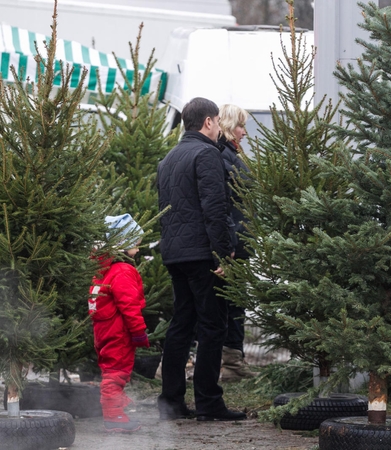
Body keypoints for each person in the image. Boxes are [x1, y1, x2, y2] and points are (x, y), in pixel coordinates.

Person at [156, 97, 246, 422]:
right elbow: (215, 207)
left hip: (175, 253)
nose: (220, 127)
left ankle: (171, 402)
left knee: (181, 324)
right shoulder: (206, 154)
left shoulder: (168, 158)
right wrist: (224, 253)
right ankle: (209, 403)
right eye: (219, 122)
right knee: (213, 325)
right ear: (208, 122)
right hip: (202, 254)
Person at [89, 213, 149, 433]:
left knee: (111, 370)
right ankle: (113, 416)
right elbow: (129, 306)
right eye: (135, 245)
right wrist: (139, 332)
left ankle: (117, 407)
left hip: (103, 332)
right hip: (119, 332)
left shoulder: (101, 270)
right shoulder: (123, 271)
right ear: (123, 245)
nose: (139, 249)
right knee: (116, 372)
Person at [216, 104, 258, 382]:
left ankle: (233, 360)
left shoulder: (232, 155)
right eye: (240, 126)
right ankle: (225, 362)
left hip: (239, 241)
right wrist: (227, 246)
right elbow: (224, 206)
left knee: (235, 302)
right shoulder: (221, 157)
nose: (244, 131)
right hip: (231, 244)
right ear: (229, 126)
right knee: (225, 303)